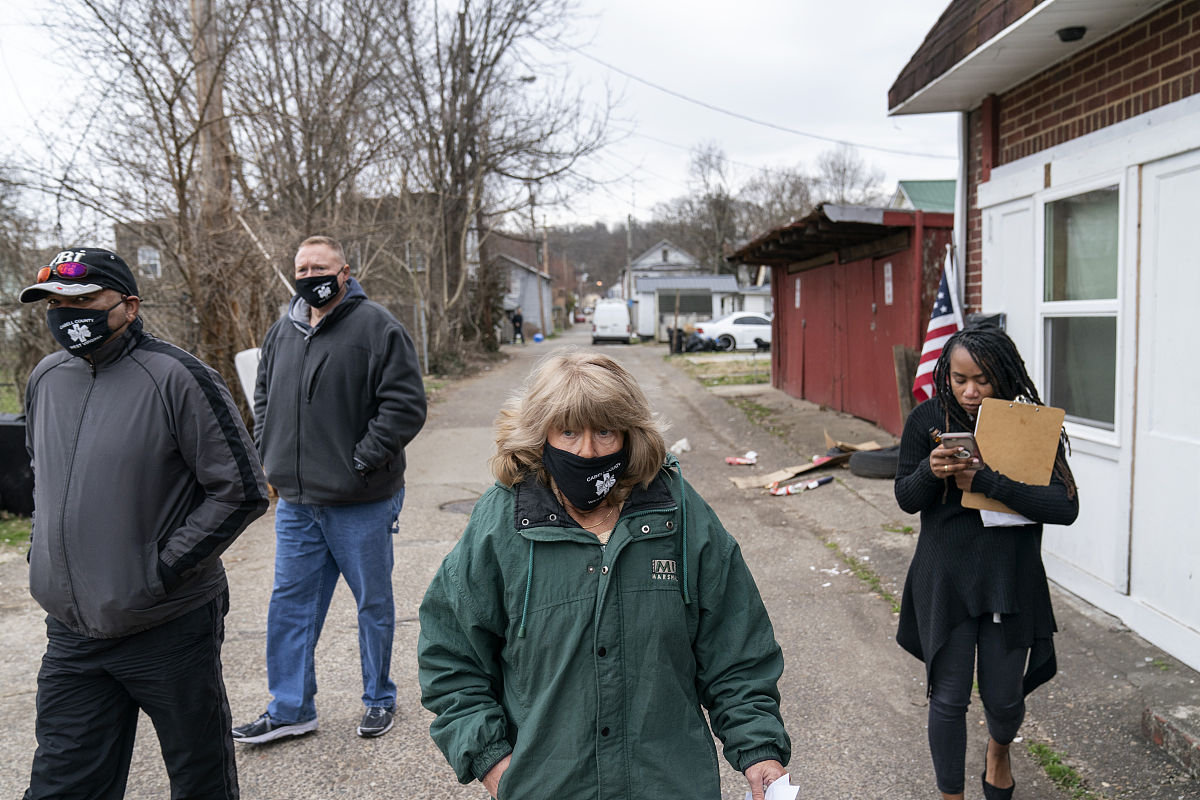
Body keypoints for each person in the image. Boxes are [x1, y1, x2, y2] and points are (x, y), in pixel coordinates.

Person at [418, 349, 791, 800]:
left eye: (605, 431)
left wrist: (759, 748)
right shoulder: (501, 523)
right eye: (569, 431)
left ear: (630, 435)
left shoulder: (680, 513)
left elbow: (736, 645)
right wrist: (490, 759)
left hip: (669, 785)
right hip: (550, 787)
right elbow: (451, 653)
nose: (587, 450)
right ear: (541, 434)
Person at [19, 247, 269, 799]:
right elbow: (44, 474)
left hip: (167, 624)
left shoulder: (178, 376)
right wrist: (44, 555)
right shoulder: (46, 378)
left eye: (84, 300)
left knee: (198, 779)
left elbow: (242, 491)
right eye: (56, 303)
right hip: (72, 633)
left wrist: (158, 571)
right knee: (60, 783)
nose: (67, 313)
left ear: (128, 306)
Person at [234, 235, 427, 744]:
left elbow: (405, 406)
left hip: (361, 499)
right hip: (297, 503)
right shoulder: (284, 329)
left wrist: (361, 460)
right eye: (301, 267)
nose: (309, 274)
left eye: (320, 266)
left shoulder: (378, 327)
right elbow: (263, 396)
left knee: (372, 603)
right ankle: (291, 708)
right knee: (290, 605)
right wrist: (268, 452)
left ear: (345, 272)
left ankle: (378, 699)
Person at [894, 326, 1079, 800]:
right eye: (959, 380)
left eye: (982, 379)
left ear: (1003, 374)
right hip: (947, 577)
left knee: (1003, 699)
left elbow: (1065, 508)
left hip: (1009, 579)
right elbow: (905, 500)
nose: (970, 391)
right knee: (950, 698)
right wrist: (929, 472)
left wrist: (988, 481)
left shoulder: (1030, 424)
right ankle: (950, 795)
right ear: (946, 376)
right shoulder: (926, 419)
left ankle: (999, 750)